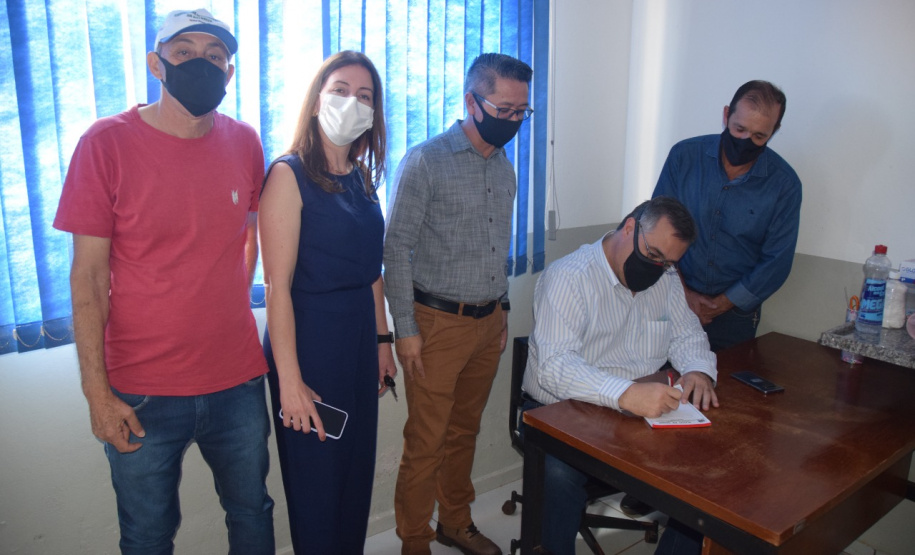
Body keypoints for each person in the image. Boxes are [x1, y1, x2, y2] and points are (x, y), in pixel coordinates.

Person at [53, 9, 274, 553]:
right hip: (140, 390)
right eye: (184, 52)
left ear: (229, 73)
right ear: (157, 64)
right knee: (147, 535)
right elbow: (88, 278)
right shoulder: (105, 144)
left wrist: (226, 298)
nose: (201, 63)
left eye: (215, 56)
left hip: (237, 380)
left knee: (252, 511)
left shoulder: (245, 142)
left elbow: (250, 235)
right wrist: (96, 393)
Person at [383, 52, 533, 555]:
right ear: (471, 102)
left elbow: (496, 245)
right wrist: (405, 330)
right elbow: (395, 248)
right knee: (426, 440)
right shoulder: (426, 160)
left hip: (488, 323)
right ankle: (414, 539)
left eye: (522, 112)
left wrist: (503, 306)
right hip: (435, 325)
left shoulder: (505, 168)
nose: (513, 120)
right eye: (504, 109)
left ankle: (455, 522)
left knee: (464, 431)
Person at [522, 197, 719, 555]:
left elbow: (687, 334)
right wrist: (625, 393)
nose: (659, 268)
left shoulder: (666, 279)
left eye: (669, 263)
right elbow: (555, 366)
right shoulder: (570, 277)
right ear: (630, 227)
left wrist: (698, 369)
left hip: (637, 412)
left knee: (707, 472)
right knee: (559, 475)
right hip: (564, 410)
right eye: (654, 254)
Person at [258, 50, 396, 554]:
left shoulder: (362, 178)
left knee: (355, 473)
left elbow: (372, 271)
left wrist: (382, 342)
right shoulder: (287, 175)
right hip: (310, 345)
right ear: (317, 99)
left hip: (358, 341)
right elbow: (276, 287)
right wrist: (290, 382)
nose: (351, 102)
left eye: (364, 96)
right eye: (340, 90)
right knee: (318, 482)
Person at [652, 80, 802, 352]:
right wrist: (684, 293)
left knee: (728, 379)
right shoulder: (684, 157)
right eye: (739, 129)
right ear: (725, 115)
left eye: (759, 136)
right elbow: (656, 230)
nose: (745, 141)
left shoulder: (784, 184)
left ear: (775, 130)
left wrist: (722, 304)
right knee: (659, 375)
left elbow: (776, 262)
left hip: (736, 316)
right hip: (671, 299)